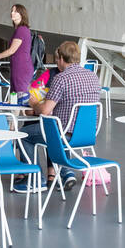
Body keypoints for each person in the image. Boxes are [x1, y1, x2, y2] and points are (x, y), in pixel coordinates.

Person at [20, 40, 101, 189]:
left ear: (62, 59)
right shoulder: (93, 77)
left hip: (64, 134)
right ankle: (65, 172)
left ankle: (35, 179)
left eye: (57, 59)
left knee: (23, 135)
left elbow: (44, 110)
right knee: (56, 127)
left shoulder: (61, 78)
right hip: (88, 134)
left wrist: (32, 102)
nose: (56, 63)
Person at [0, 4, 33, 101]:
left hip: (22, 68)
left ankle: (17, 116)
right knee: (15, 98)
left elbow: (12, 50)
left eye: (15, 11)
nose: (12, 13)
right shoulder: (19, 30)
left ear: (21, 14)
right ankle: (15, 116)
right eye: (12, 11)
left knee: (20, 98)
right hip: (17, 67)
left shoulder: (22, 30)